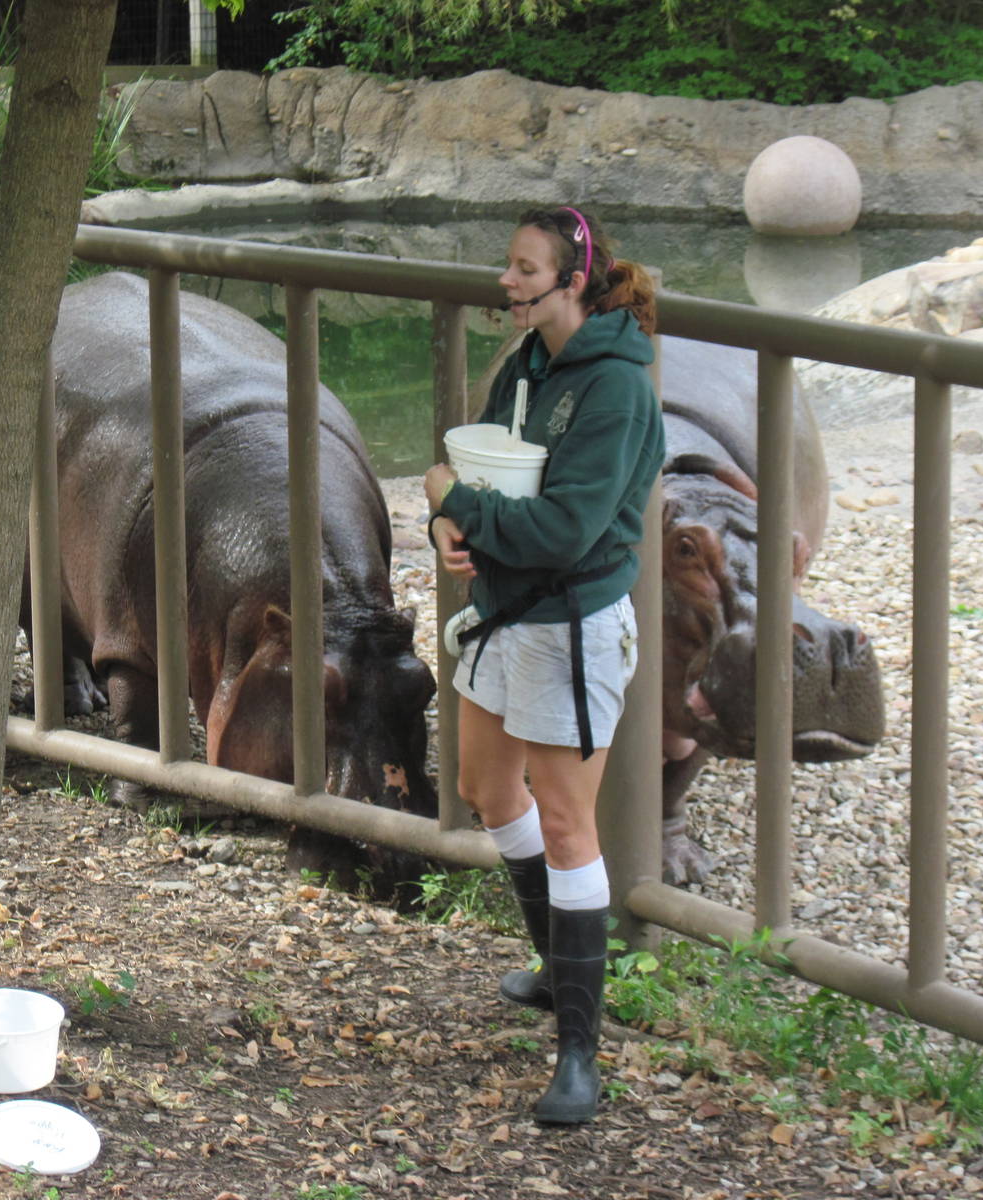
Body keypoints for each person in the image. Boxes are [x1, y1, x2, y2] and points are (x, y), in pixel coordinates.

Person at [423, 206, 663, 1124]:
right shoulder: (527, 364)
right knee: (487, 790)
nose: (507, 280)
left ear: (573, 281)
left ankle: (578, 1051)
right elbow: (473, 472)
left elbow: (564, 531)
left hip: (573, 623)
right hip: (505, 611)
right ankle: (558, 968)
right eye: (508, 265)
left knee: (566, 824)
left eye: (525, 269)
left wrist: (455, 500)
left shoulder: (617, 389)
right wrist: (443, 519)